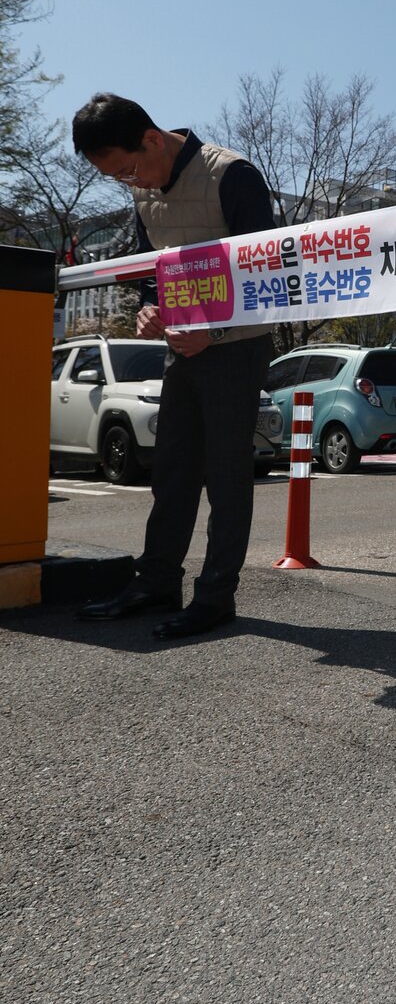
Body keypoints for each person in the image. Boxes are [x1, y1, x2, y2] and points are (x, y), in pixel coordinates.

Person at [71, 93, 277, 638]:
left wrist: (216, 330)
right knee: (173, 468)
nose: (129, 183)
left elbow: (269, 276)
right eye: (115, 177)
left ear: (153, 139)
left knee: (228, 473)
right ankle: (157, 581)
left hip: (237, 345)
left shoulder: (232, 175)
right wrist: (148, 311)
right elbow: (150, 276)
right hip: (183, 348)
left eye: (128, 169)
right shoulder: (145, 195)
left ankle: (215, 597)